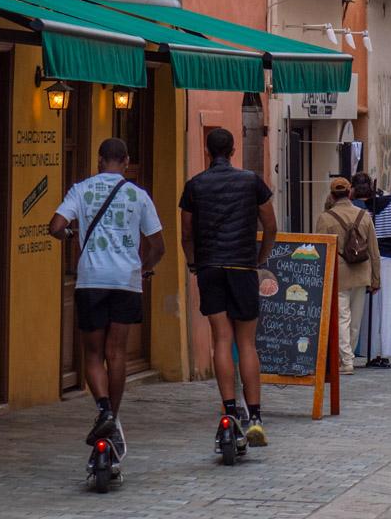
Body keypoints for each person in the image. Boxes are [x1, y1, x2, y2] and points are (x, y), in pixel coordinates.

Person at [49, 137, 166, 455]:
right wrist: (143, 268)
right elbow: (158, 246)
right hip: (126, 281)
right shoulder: (138, 196)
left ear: (99, 160)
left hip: (92, 280)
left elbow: (55, 226)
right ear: (126, 161)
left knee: (92, 354)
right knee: (116, 353)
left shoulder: (81, 190)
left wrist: (69, 234)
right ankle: (112, 417)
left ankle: (103, 411)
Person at [179, 127, 279, 446]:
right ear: (233, 151)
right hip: (242, 266)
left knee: (221, 338)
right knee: (246, 343)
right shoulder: (251, 181)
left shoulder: (194, 185)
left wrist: (194, 262)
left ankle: (230, 411)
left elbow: (186, 234)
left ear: (208, 151)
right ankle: (256, 417)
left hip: (210, 267)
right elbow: (271, 225)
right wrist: (260, 258)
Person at [315, 176, 379, 376]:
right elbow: (374, 250)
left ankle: (346, 360)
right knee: (355, 320)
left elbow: (320, 250)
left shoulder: (325, 218)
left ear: (332, 195)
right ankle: (347, 356)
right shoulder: (364, 215)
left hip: (339, 273)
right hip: (361, 272)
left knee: (342, 318)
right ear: (350, 192)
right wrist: (376, 279)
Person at [358, 173, 391, 368]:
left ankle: (369, 349)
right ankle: (385, 349)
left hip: (365, 258)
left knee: (368, 308)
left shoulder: (357, 206)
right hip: (388, 257)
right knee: (387, 305)